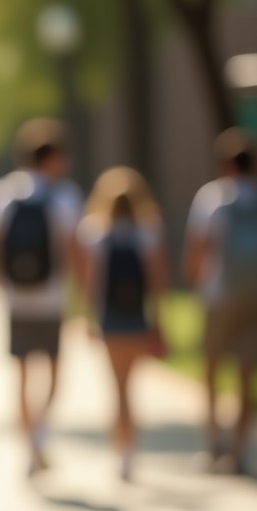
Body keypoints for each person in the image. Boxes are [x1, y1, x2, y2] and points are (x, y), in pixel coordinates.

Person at [0, 118, 83, 477]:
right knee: (53, 369)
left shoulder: (2, 193)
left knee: (21, 373)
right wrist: (79, 291)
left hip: (16, 296)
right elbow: (72, 248)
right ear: (52, 158)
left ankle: (29, 449)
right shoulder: (64, 196)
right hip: (51, 296)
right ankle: (39, 432)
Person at [183, 128, 257, 474]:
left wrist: (195, 282)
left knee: (212, 370)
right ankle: (239, 452)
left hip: (219, 295)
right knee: (248, 375)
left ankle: (215, 443)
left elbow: (198, 251)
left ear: (225, 164)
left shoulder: (212, 199)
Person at [76, 167, 169, 482]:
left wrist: (88, 318)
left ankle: (121, 451)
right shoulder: (149, 230)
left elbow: (91, 284)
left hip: (111, 318)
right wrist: (159, 321)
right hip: (138, 318)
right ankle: (131, 450)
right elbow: (158, 281)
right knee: (131, 387)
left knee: (117, 388)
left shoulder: (95, 232)